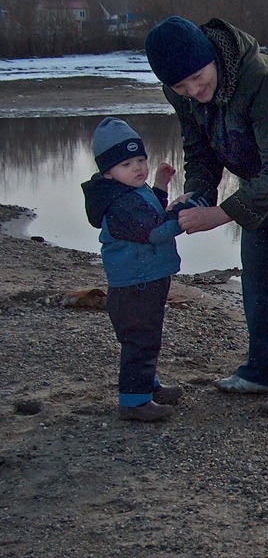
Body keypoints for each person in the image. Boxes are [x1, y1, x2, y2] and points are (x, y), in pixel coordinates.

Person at [144, 16, 268, 416]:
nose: (194, 91)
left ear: (213, 59)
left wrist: (220, 213)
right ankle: (260, 371)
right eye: (181, 86)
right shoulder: (183, 92)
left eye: (199, 79)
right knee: (256, 266)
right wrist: (198, 192)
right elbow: (200, 149)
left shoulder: (259, 79)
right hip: (265, 171)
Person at [81, 117, 187, 422]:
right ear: (109, 172)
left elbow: (151, 210)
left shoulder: (131, 192)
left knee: (147, 336)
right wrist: (183, 213)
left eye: (141, 159)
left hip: (146, 280)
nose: (138, 167)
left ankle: (146, 386)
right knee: (140, 339)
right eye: (128, 163)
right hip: (135, 286)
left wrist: (161, 186)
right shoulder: (119, 203)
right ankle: (134, 402)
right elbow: (153, 229)